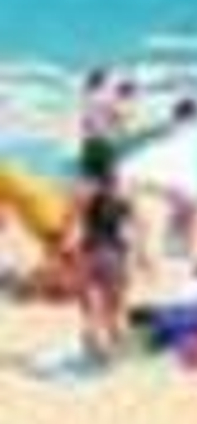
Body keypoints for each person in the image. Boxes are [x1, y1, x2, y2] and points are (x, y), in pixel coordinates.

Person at [69, 135, 136, 365]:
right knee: (114, 306)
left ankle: (96, 348)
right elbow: (132, 219)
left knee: (89, 308)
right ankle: (114, 349)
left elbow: (73, 220)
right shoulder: (121, 187)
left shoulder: (82, 188)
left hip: (88, 250)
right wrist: (143, 253)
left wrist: (63, 248)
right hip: (115, 251)